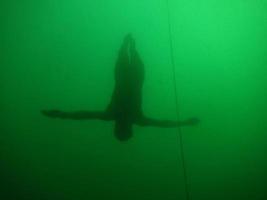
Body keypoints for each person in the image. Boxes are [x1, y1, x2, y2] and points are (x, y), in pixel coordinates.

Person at [42, 34, 200, 141]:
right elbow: (163, 123)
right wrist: (184, 123)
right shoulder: (125, 117)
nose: (122, 125)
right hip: (131, 76)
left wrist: (58, 114)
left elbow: (81, 115)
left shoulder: (120, 116)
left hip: (129, 76)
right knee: (129, 55)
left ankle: (129, 45)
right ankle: (130, 46)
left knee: (128, 55)